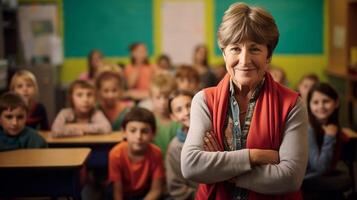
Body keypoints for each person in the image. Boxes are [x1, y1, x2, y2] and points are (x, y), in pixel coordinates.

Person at [181, 2, 308, 200]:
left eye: (255, 49)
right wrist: (257, 156)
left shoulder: (292, 104)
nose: (244, 59)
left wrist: (220, 169)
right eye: (235, 49)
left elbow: (290, 178)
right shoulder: (204, 100)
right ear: (224, 54)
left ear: (269, 55)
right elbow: (191, 166)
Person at [302, 83, 351, 200]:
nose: (321, 106)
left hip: (320, 175)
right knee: (345, 180)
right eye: (315, 102)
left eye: (326, 101)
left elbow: (330, 164)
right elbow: (320, 167)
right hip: (305, 179)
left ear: (337, 103)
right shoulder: (309, 128)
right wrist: (329, 137)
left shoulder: (332, 126)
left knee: (342, 184)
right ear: (309, 105)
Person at [108, 107, 165, 200]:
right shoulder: (115, 154)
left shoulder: (156, 153)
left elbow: (156, 190)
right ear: (124, 132)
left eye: (144, 131)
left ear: (153, 133)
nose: (138, 136)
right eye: (133, 130)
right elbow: (117, 193)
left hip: (145, 195)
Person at [166, 90, 197, 200]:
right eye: (179, 110)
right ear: (173, 117)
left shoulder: (215, 132)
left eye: (189, 105)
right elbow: (177, 189)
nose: (187, 112)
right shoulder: (175, 147)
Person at [139, 73, 180, 156]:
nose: (163, 102)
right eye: (158, 97)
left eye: (167, 97)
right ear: (151, 97)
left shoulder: (179, 121)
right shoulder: (146, 120)